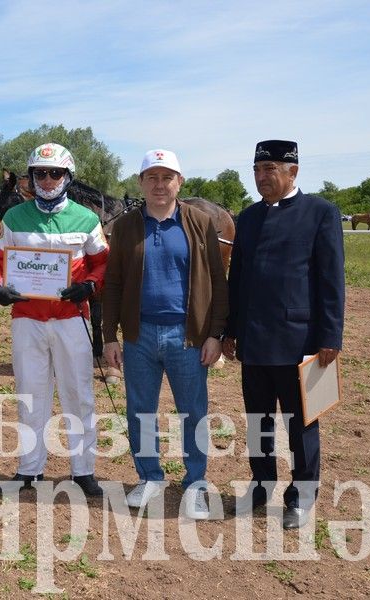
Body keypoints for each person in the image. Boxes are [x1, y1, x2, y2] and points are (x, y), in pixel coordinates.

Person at [222, 140, 345, 530]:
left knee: (303, 424)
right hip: (255, 342)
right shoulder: (249, 216)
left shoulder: (321, 213)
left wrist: (330, 336)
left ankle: (302, 496)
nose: (262, 177)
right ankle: (260, 486)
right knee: (258, 420)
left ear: (293, 171)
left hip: (303, 341)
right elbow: (237, 278)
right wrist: (229, 330)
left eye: (270, 169)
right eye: (257, 169)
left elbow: (331, 279)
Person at [101, 149, 228, 518]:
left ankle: (196, 484)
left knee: (193, 411)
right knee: (140, 410)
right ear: (141, 182)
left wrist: (215, 333)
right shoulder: (125, 227)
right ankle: (149, 478)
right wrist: (110, 336)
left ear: (179, 182)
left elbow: (218, 283)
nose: (159, 185)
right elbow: (113, 284)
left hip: (188, 336)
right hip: (139, 335)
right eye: (152, 177)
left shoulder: (200, 223)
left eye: (167, 177)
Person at [0, 142, 109, 497]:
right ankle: (29, 469)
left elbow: (102, 262)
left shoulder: (86, 219)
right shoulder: (13, 218)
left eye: (55, 173)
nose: (48, 179)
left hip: (72, 320)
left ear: (68, 176)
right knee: (30, 395)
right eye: (41, 172)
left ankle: (83, 470)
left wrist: (89, 285)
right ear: (32, 176)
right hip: (28, 319)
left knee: (79, 396)